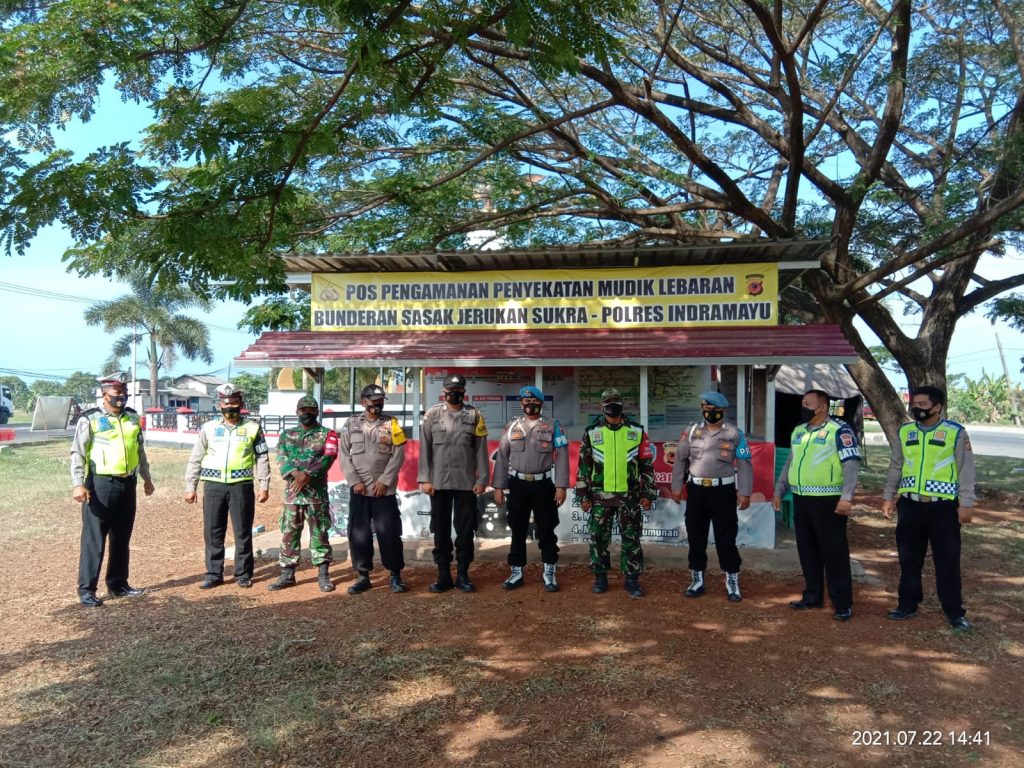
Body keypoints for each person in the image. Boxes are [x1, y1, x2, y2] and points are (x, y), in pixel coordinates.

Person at [881, 385, 976, 631]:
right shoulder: (905, 432)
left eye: (923, 405)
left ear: (937, 407)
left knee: (948, 561)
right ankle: (907, 604)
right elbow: (896, 465)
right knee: (909, 559)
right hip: (911, 506)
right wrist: (888, 496)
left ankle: (954, 612)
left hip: (943, 508)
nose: (917, 409)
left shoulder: (955, 432)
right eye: (915, 404)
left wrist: (966, 503)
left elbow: (966, 470)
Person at [773, 389, 860, 621]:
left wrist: (847, 497)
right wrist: (779, 491)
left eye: (807, 403)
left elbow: (851, 465)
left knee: (834, 553)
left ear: (821, 407)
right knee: (807, 550)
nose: (803, 406)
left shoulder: (839, 431)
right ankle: (812, 596)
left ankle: (842, 603)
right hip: (802, 498)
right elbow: (789, 463)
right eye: (802, 402)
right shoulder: (799, 431)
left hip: (829, 501)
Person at [70, 375, 155, 607]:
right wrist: (78, 483)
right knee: (94, 538)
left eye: (124, 395)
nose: (121, 399)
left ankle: (118, 584)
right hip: (100, 485)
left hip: (128, 484)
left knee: (121, 537)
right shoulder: (91, 419)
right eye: (117, 396)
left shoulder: (132, 418)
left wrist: (146, 478)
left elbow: (140, 450)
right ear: (105, 395)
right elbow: (78, 452)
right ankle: (87, 590)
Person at [184, 383, 270, 589]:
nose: (229, 407)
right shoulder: (209, 428)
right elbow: (195, 458)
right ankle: (214, 573)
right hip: (213, 486)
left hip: (241, 486)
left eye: (233, 403)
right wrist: (191, 486)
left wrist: (263, 484)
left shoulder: (253, 427)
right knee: (213, 531)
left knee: (242, 531)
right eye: (225, 403)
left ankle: (243, 573)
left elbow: (262, 457)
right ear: (218, 405)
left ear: (240, 404)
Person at [671, 391, 753, 602]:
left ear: (723, 411)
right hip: (696, 490)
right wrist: (676, 486)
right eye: (705, 410)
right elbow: (680, 459)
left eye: (713, 411)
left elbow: (744, 465)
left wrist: (744, 492)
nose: (709, 414)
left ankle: (732, 579)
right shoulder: (691, 432)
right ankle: (697, 578)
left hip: (723, 492)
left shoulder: (735, 434)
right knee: (696, 535)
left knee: (726, 537)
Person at [575, 388, 656, 598]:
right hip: (600, 497)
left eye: (616, 401)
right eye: (608, 402)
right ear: (601, 407)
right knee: (598, 538)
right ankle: (600, 577)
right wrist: (583, 496)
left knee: (631, 539)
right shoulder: (592, 432)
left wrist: (648, 493)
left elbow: (646, 465)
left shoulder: (637, 431)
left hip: (629, 497)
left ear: (622, 404)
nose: (612, 405)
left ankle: (632, 580)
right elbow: (584, 466)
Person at [492, 385, 570, 592]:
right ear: (521, 404)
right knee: (517, 528)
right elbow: (502, 457)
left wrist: (561, 485)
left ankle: (549, 571)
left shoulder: (553, 426)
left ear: (541, 403)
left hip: (543, 485)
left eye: (534, 401)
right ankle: (516, 571)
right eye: (526, 402)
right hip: (517, 485)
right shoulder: (512, 427)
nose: (530, 405)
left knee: (546, 528)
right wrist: (499, 486)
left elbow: (561, 456)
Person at [418, 373, 489, 593]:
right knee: (440, 531)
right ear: (444, 391)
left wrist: (482, 479)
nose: (454, 394)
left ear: (464, 392)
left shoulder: (474, 415)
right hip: (438, 483)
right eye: (450, 390)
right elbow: (425, 449)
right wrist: (425, 479)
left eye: (458, 391)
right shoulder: (432, 415)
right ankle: (443, 575)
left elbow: (480, 449)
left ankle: (464, 575)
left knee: (465, 531)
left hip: (466, 483)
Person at [337, 384, 409, 594]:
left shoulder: (392, 424)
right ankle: (362, 576)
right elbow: (344, 454)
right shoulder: (351, 424)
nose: (377, 404)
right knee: (359, 535)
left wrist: (385, 481)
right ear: (363, 402)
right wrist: (354, 481)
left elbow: (398, 454)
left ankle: (395, 575)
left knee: (390, 533)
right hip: (360, 490)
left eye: (380, 401)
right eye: (373, 401)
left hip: (383, 491)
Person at [267, 395, 339, 593]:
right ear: (297, 412)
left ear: (317, 412)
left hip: (316, 495)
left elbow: (328, 457)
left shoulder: (327, 434)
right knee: (289, 533)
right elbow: (281, 456)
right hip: (293, 495)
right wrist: (296, 474)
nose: (306, 413)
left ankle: (323, 575)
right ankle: (287, 575)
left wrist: (308, 475)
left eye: (311, 409)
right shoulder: (286, 434)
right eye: (303, 409)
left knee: (320, 533)